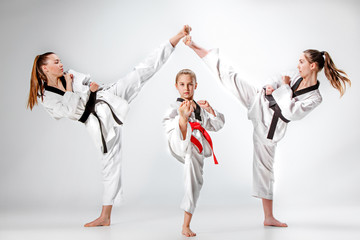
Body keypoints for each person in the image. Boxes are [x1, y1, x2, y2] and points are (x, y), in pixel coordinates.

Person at [27, 25, 192, 227]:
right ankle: (105, 216)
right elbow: (71, 111)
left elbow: (86, 89)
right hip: (96, 121)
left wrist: (86, 90)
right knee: (109, 164)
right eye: (56, 62)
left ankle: (176, 38)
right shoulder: (45, 97)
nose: (61, 64)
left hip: (108, 95)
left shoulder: (68, 73)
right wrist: (75, 88)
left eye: (60, 60)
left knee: (141, 71)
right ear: (45, 68)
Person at [183, 35, 351, 227]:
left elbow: (291, 112)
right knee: (230, 76)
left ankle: (268, 217)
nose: (298, 65)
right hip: (259, 101)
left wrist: (284, 87)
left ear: (313, 66)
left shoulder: (315, 97)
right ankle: (195, 46)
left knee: (265, 169)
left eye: (302, 61)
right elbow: (275, 81)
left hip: (269, 128)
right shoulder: (294, 76)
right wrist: (272, 86)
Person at [163, 69, 225, 237]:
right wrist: (182, 119)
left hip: (195, 147)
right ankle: (186, 226)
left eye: (190, 84)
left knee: (195, 183)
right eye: (182, 84)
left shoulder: (200, 108)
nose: (186, 88)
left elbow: (218, 125)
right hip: (179, 140)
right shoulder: (174, 107)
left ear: (195, 86)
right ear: (176, 86)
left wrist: (210, 109)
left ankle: (186, 224)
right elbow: (167, 125)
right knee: (178, 123)